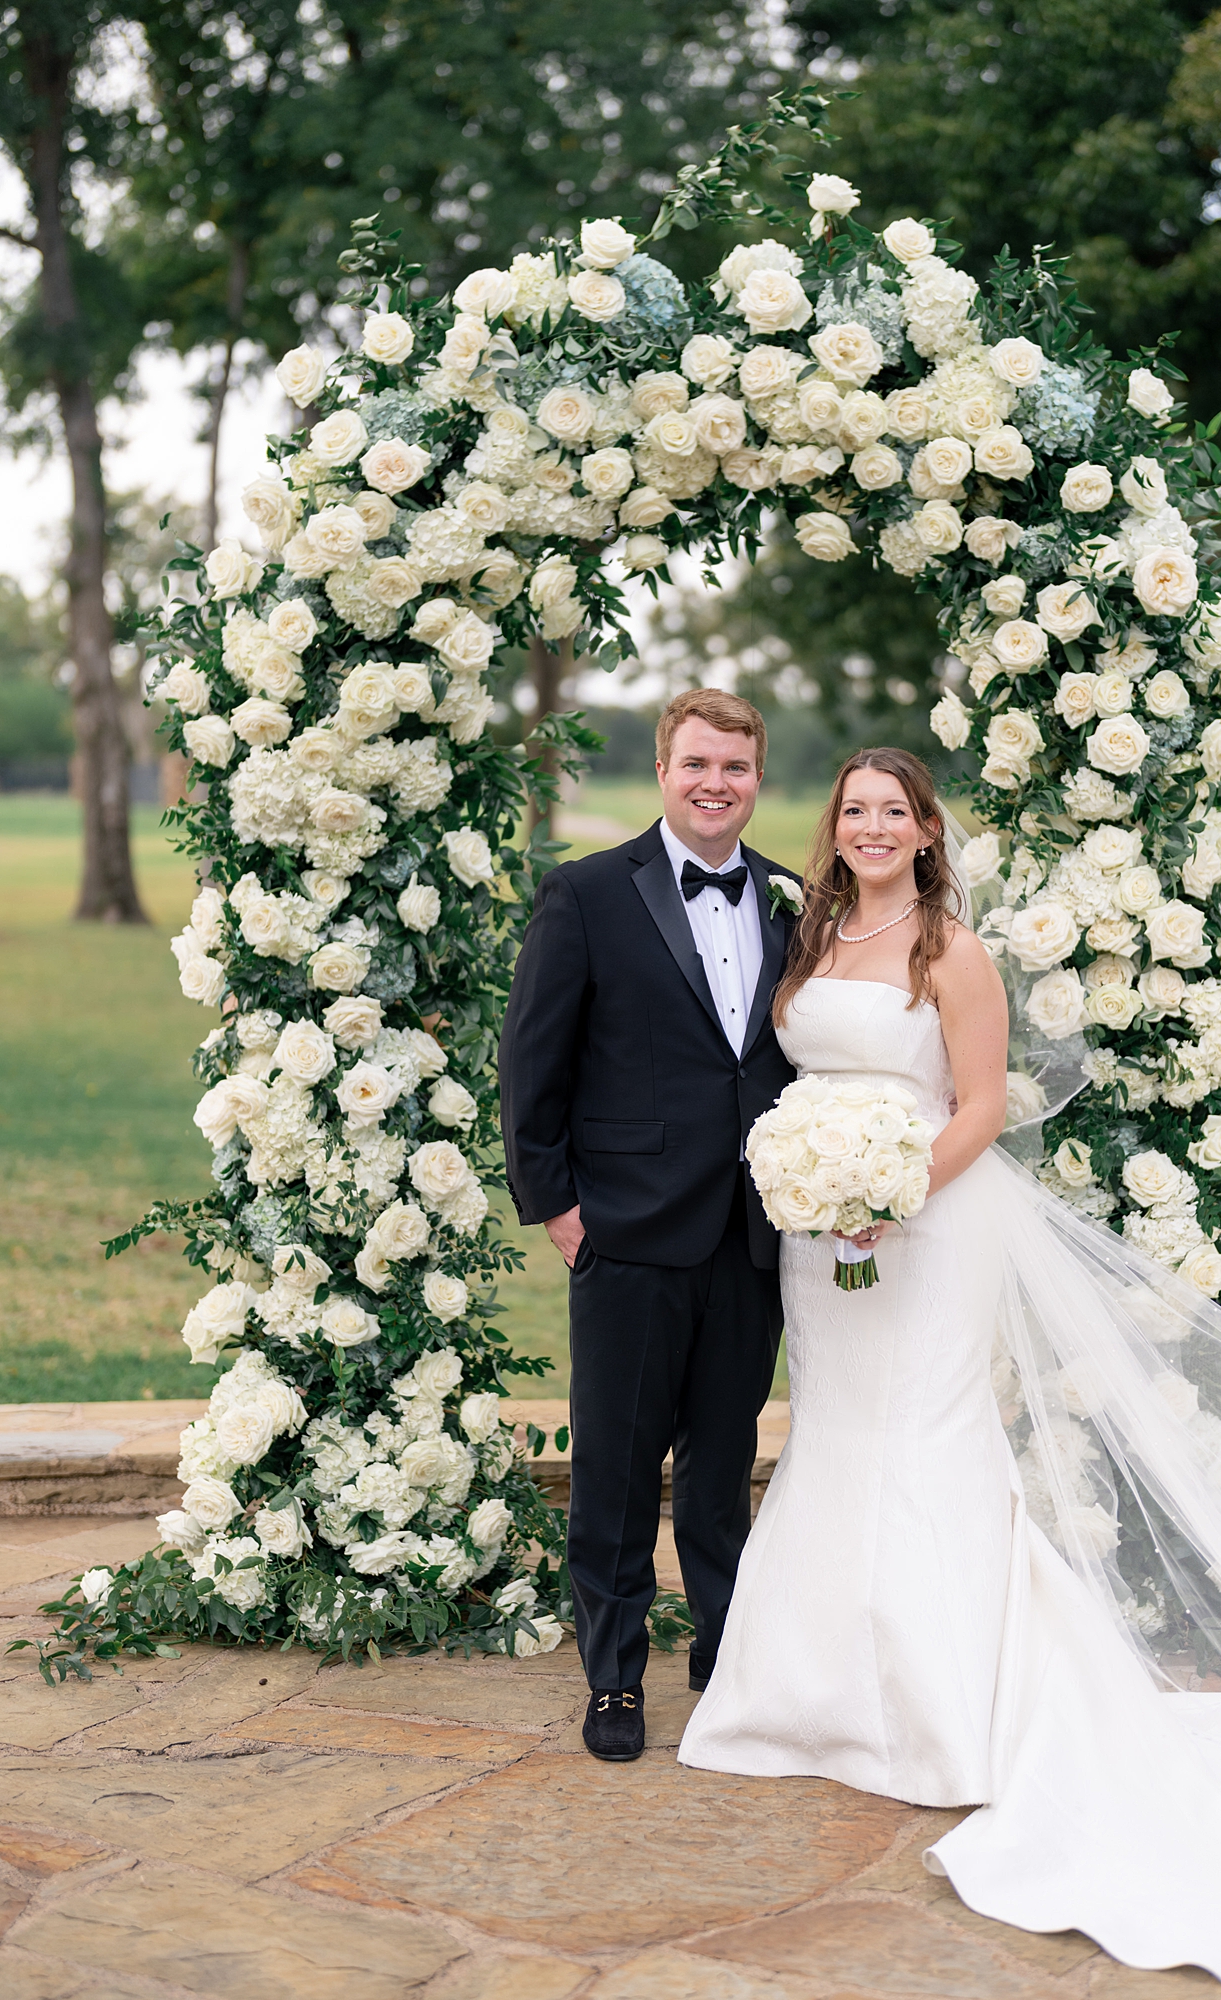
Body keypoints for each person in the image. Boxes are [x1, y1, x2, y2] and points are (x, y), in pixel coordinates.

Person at [679, 745, 1221, 2000]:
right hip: (817, 1238)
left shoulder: (951, 948)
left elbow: (982, 1102)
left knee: (929, 1435)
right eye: (855, 809)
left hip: (926, 1225)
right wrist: (817, 1184)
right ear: (833, 827)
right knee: (837, 1436)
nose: (873, 826)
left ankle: (945, 1710)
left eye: (895, 810)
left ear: (927, 830)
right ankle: (810, 1697)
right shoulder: (812, 936)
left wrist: (893, 1191)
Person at [499, 688, 797, 1761]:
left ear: (757, 777)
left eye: (735, 766)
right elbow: (531, 1060)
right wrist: (556, 1206)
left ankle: (724, 1656)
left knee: (722, 1469)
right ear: (664, 770)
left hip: (751, 1237)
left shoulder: (792, 900)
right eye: (697, 764)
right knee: (616, 1471)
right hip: (624, 1231)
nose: (716, 783)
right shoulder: (586, 893)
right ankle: (615, 1677)